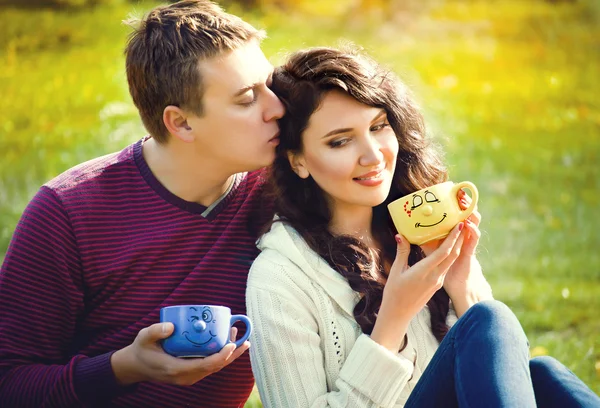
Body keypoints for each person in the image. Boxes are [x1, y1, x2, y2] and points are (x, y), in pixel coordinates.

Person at [245, 46, 600, 407]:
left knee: (542, 372)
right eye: (340, 141)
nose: (373, 156)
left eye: (378, 126)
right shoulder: (278, 280)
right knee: (491, 323)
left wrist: (461, 286)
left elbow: (505, 376)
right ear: (298, 161)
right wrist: (393, 319)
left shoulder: (419, 229)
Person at [0, 1, 284, 407]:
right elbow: (10, 383)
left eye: (270, 86)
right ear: (181, 122)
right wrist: (124, 367)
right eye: (246, 99)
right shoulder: (67, 212)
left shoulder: (283, 190)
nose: (276, 108)